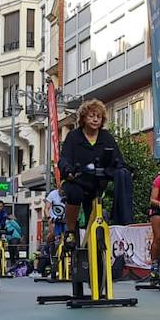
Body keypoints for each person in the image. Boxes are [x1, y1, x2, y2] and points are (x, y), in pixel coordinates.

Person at [56, 100, 130, 236]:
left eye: (98, 117)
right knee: (75, 194)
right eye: (91, 116)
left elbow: (117, 159)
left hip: (97, 181)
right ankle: (70, 232)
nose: (95, 119)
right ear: (83, 118)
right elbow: (64, 159)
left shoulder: (106, 137)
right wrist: (68, 171)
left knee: (96, 207)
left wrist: (122, 170)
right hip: (76, 180)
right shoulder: (73, 136)